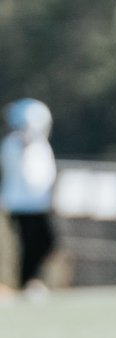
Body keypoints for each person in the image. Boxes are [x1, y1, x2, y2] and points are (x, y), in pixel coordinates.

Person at [0, 98, 57, 296]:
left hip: (38, 204)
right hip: (22, 205)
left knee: (45, 243)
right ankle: (27, 283)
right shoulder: (14, 143)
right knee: (31, 244)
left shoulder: (40, 144)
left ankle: (31, 281)